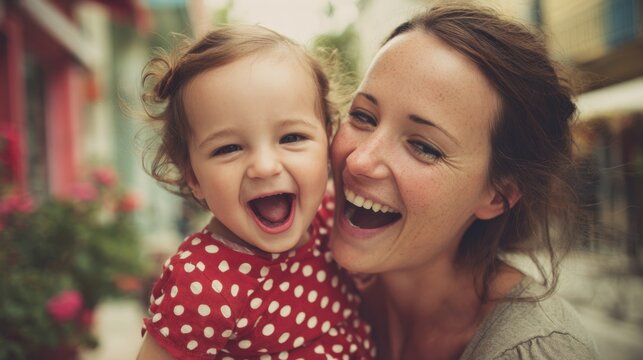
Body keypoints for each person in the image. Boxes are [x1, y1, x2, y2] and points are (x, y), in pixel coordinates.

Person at [328, 3, 599, 360]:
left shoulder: (539, 349)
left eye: (424, 147)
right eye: (363, 116)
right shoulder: (295, 281)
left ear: (498, 196)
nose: (360, 160)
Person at [136, 24, 375, 360]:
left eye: (291, 138)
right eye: (229, 148)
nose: (264, 166)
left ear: (328, 140)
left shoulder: (332, 218)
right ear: (193, 176)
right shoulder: (202, 283)